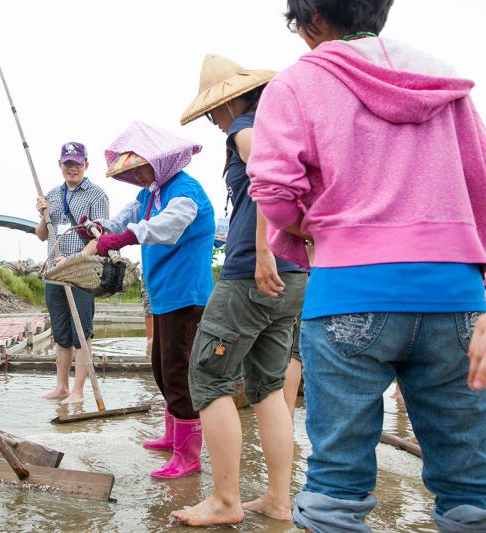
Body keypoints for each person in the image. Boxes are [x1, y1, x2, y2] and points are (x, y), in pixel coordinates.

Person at [247, 1, 486, 531]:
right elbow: (482, 187)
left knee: (337, 483)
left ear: (308, 18)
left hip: (349, 293)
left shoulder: (298, 83)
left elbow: (272, 191)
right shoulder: (445, 82)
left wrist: (312, 229)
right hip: (457, 297)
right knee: (471, 485)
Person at [171, 54, 307, 526]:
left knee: (208, 380)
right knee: (268, 387)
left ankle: (226, 501)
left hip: (253, 274)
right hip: (293, 276)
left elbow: (268, 166)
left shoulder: (244, 127)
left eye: (214, 109)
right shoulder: (282, 126)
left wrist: (263, 248)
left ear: (232, 101)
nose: (212, 118)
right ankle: (277, 498)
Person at [84, 121, 214, 479]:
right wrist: (100, 229)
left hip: (186, 295)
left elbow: (166, 227)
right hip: (163, 295)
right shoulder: (150, 195)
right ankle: (173, 436)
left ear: (160, 162)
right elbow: (126, 217)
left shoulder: (185, 191)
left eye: (142, 168)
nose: (139, 176)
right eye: (133, 172)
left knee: (177, 371)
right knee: (160, 367)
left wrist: (123, 239)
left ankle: (189, 455)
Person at [35, 142, 109, 404]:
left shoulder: (97, 195)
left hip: (81, 272)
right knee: (61, 332)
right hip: (55, 272)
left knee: (82, 333)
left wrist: (75, 260)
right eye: (68, 164)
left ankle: (78, 391)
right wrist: (44, 214)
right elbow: (41, 235)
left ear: (86, 165)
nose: (72, 168)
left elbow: (101, 237)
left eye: (77, 163)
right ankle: (62, 387)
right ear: (60, 165)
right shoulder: (52, 195)